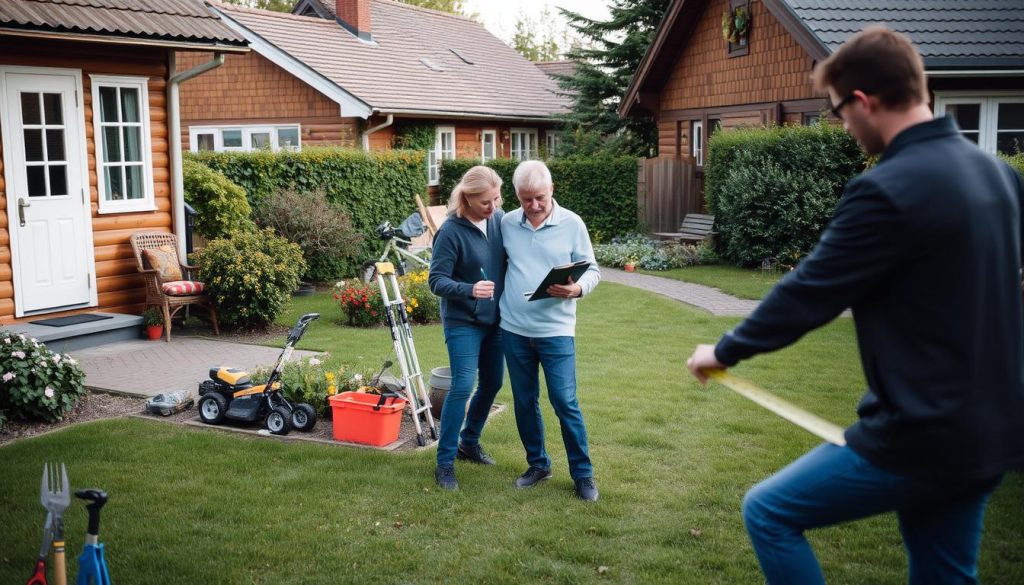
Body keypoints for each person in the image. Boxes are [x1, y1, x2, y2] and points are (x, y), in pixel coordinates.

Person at [685, 26, 1024, 584]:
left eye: (840, 110)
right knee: (945, 573)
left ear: (864, 102)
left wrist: (722, 350)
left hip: (920, 434)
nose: (843, 124)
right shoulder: (997, 175)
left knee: (769, 512)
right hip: (989, 433)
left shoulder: (887, 188)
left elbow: (809, 292)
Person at [500, 160, 602, 501]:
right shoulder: (507, 223)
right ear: (517, 195)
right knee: (524, 402)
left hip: (556, 330)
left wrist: (577, 289)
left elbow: (593, 270)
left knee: (564, 401)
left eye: (539, 197)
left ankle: (583, 474)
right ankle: (538, 464)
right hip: (513, 329)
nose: (533, 206)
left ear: (552, 190)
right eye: (526, 199)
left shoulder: (572, 223)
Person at [428, 166, 507, 490]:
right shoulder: (450, 231)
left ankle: (468, 442)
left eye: (498, 198)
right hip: (463, 321)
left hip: (497, 320)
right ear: (468, 198)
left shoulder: (500, 221)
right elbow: (436, 280)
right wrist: (469, 289)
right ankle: (444, 463)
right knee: (463, 385)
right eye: (486, 202)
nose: (494, 206)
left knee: (493, 383)